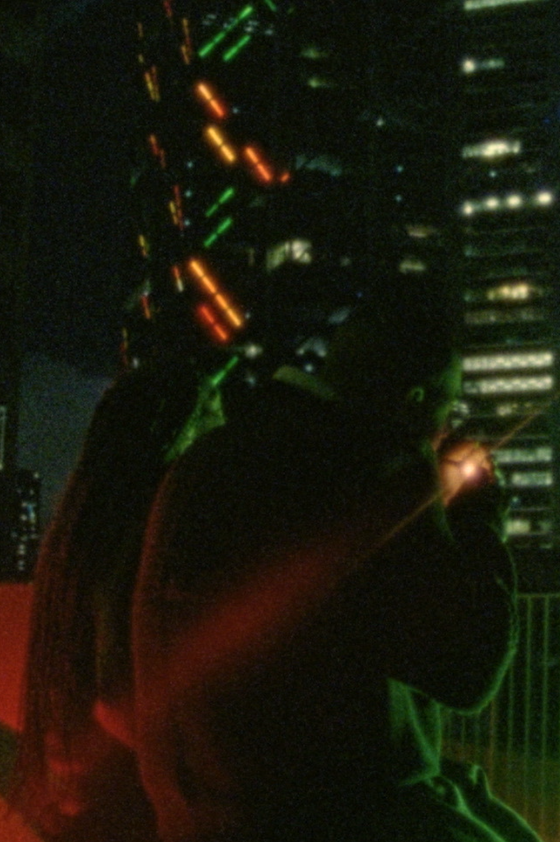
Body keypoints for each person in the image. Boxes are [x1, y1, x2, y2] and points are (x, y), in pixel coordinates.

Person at [130, 280, 539, 842]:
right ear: (415, 400)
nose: (446, 429)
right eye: (447, 407)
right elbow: (470, 670)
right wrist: (479, 520)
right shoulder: (374, 464)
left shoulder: (212, 456)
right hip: (327, 819)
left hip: (200, 816)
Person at [14, 337, 225, 840]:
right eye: (211, 417)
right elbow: (116, 699)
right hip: (128, 809)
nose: (222, 437)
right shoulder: (145, 533)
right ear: (176, 433)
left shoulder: (85, 531)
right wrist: (216, 773)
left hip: (85, 805)